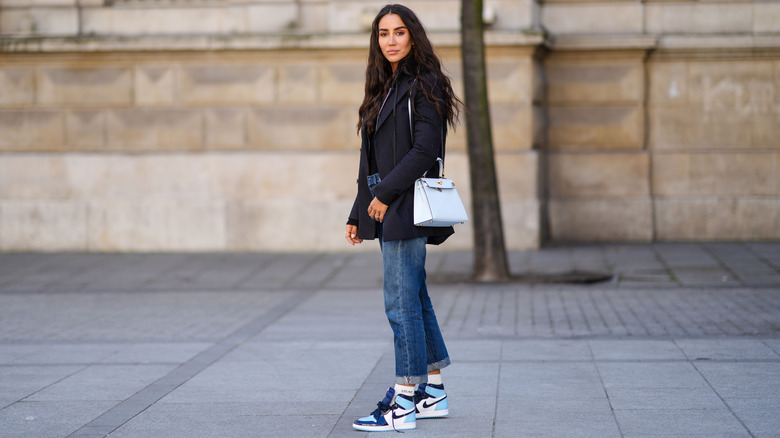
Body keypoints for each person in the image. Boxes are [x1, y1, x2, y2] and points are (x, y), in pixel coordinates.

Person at [345, 4, 462, 432]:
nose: (390, 40)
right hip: (387, 201)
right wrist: (360, 211)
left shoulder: (424, 84)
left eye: (398, 32)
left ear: (413, 35)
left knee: (400, 301)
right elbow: (370, 158)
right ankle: (431, 391)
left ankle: (404, 399)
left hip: (406, 204)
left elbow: (424, 150)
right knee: (415, 297)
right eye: (382, 33)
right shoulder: (385, 84)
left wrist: (385, 195)